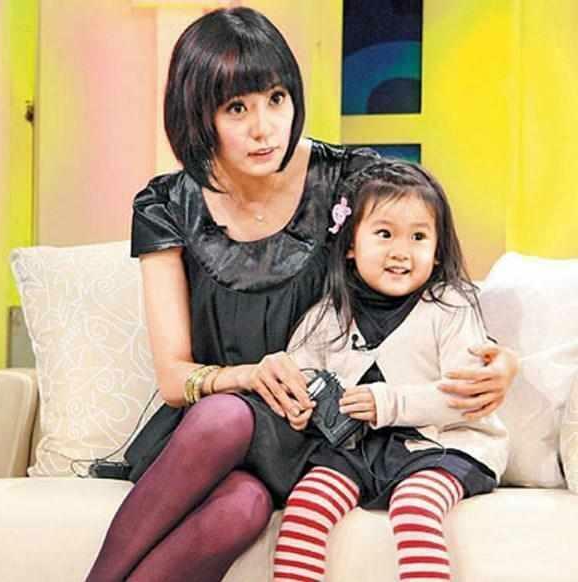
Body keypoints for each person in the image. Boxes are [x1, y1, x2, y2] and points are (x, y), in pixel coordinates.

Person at [86, 7, 517, 582]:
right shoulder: (167, 203)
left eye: (276, 99)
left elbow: (425, 274)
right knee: (230, 452)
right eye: (236, 108)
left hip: (312, 429)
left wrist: (502, 361)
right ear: (197, 115)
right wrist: (251, 374)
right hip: (215, 432)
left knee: (244, 500)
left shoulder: (348, 179)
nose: (265, 128)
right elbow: (173, 376)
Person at [245, 159, 508, 582]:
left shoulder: (450, 307)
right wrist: (301, 404)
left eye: (418, 237)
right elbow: (299, 372)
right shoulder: (329, 314)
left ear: (437, 250)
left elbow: (465, 398)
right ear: (351, 244)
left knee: (415, 506)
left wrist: (387, 402)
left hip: (444, 445)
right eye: (384, 234)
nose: (401, 251)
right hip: (358, 449)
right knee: (306, 507)